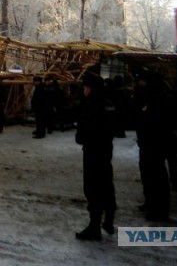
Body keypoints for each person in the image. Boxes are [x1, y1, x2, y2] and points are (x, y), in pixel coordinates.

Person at [75, 72, 117, 240]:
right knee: (107, 185)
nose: (83, 90)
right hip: (105, 149)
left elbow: (86, 128)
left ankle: (94, 226)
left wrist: (81, 137)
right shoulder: (108, 102)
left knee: (93, 187)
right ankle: (109, 220)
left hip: (93, 150)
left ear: (90, 88)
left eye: (84, 87)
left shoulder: (92, 104)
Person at [134, 70, 172, 221]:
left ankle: (159, 209)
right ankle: (151, 203)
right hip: (148, 142)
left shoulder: (158, 99)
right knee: (149, 174)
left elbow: (154, 121)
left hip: (154, 143)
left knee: (156, 175)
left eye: (142, 82)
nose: (139, 85)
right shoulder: (155, 97)